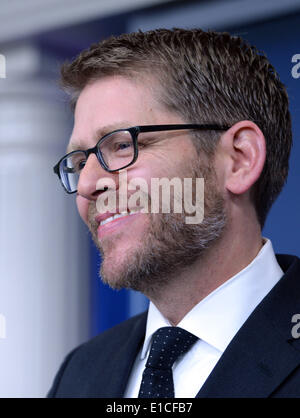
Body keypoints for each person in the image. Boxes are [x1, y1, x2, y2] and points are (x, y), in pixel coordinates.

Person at [49, 28, 300, 398]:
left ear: (239, 160)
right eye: (80, 161)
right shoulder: (80, 372)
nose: (87, 185)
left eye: (120, 145)